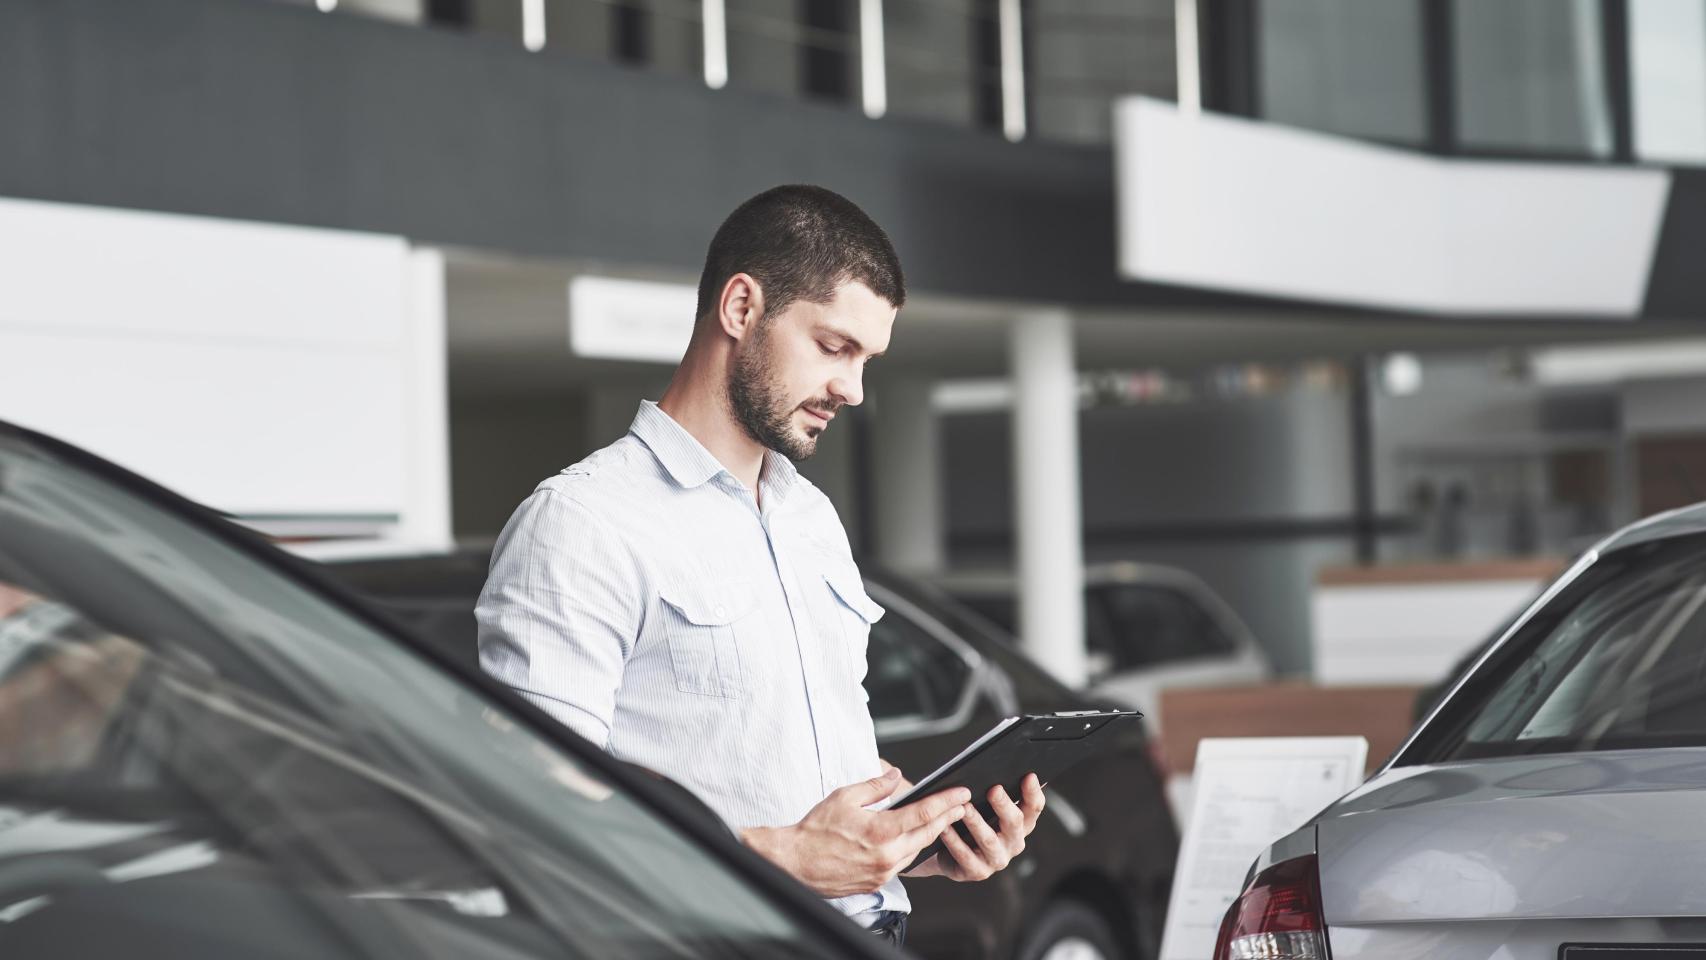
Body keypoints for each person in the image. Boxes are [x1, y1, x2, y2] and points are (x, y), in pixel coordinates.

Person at [476, 185, 1044, 947]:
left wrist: (911, 845)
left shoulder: (811, 519)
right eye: (834, 347)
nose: (853, 388)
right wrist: (788, 858)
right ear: (741, 308)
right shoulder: (581, 524)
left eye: (868, 360)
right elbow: (533, 820)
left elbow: (790, 768)